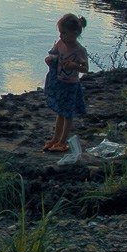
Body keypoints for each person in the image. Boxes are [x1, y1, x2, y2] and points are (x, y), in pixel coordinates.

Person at [43, 13, 89, 152]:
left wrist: (75, 66)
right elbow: (53, 56)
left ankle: (63, 142)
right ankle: (55, 139)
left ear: (75, 33)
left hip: (71, 85)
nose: (61, 36)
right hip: (58, 81)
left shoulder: (80, 50)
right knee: (60, 112)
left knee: (67, 114)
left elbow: (85, 69)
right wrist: (49, 60)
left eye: (64, 33)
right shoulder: (60, 44)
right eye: (60, 33)